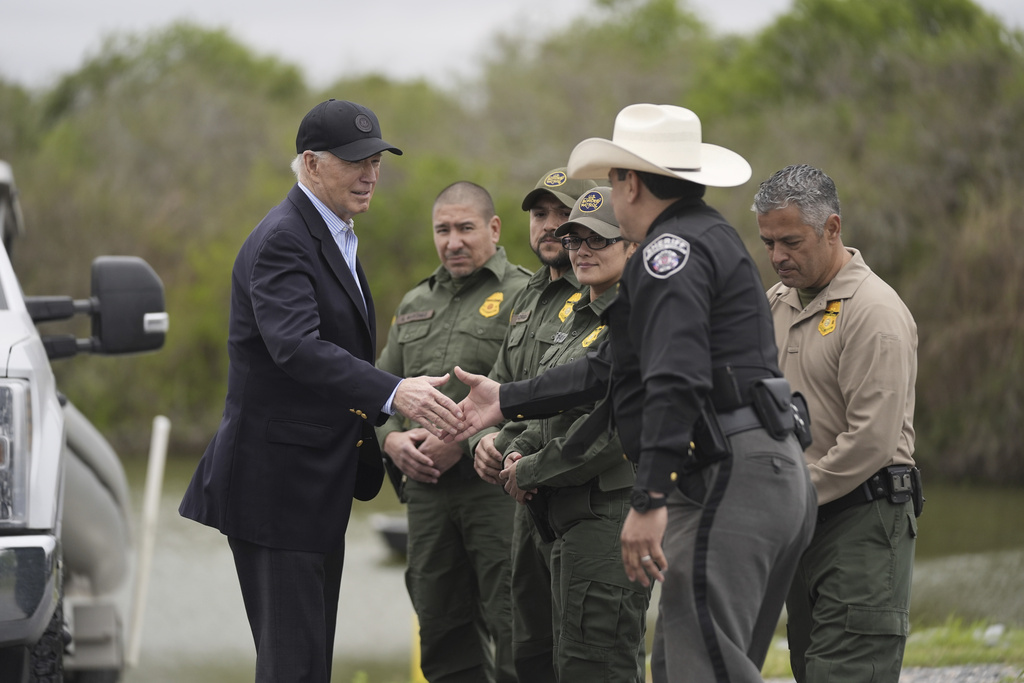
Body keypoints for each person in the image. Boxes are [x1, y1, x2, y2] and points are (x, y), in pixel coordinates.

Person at [449, 103, 817, 683]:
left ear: (631, 182)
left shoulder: (669, 256)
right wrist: (507, 399)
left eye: (615, 179)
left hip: (731, 474)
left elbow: (674, 380)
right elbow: (610, 369)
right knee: (681, 665)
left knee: (703, 668)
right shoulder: (703, 238)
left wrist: (647, 501)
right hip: (757, 470)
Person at [178, 99, 465, 683]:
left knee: (307, 666)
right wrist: (395, 393)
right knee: (293, 668)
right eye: (355, 160)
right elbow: (296, 348)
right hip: (275, 489)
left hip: (312, 488)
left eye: (377, 159)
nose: (371, 173)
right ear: (310, 164)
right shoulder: (284, 238)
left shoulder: (335, 233)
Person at [753, 164, 920, 683]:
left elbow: (871, 439)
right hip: (801, 520)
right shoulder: (775, 303)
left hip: (863, 519)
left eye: (791, 241)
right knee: (810, 667)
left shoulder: (875, 311)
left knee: (846, 672)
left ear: (832, 228)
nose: (778, 256)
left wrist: (787, 494)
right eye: (768, 243)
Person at [375, 181, 531, 683]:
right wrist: (392, 441)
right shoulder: (415, 300)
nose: (453, 241)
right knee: (440, 631)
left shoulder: (525, 293)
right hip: (427, 497)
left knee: (515, 628)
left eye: (465, 228)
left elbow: (535, 390)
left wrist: (458, 441)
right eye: (443, 230)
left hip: (496, 492)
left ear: (493, 228)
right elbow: (381, 390)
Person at [499, 186, 651, 681]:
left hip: (609, 516)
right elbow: (551, 409)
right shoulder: (576, 317)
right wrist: (517, 448)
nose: (581, 250)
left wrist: (531, 469)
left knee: (596, 666)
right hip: (558, 518)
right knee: (544, 661)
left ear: (632, 247)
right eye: (573, 239)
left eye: (598, 240)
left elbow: (609, 432)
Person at [468, 167, 594, 683]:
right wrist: (482, 441)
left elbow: (581, 405)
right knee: (529, 654)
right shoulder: (528, 296)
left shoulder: (597, 296)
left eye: (563, 214)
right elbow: (499, 386)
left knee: (591, 657)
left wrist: (515, 446)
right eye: (540, 214)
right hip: (525, 502)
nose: (550, 226)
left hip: (581, 495)